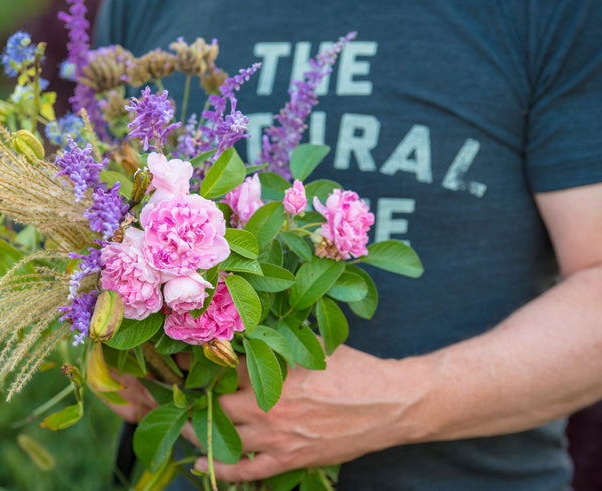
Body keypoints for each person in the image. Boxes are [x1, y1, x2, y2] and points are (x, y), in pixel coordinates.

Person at [94, 1, 602, 488]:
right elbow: (89, 216)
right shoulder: (141, 5)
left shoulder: (551, 10)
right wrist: (108, 356)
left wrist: (398, 401)